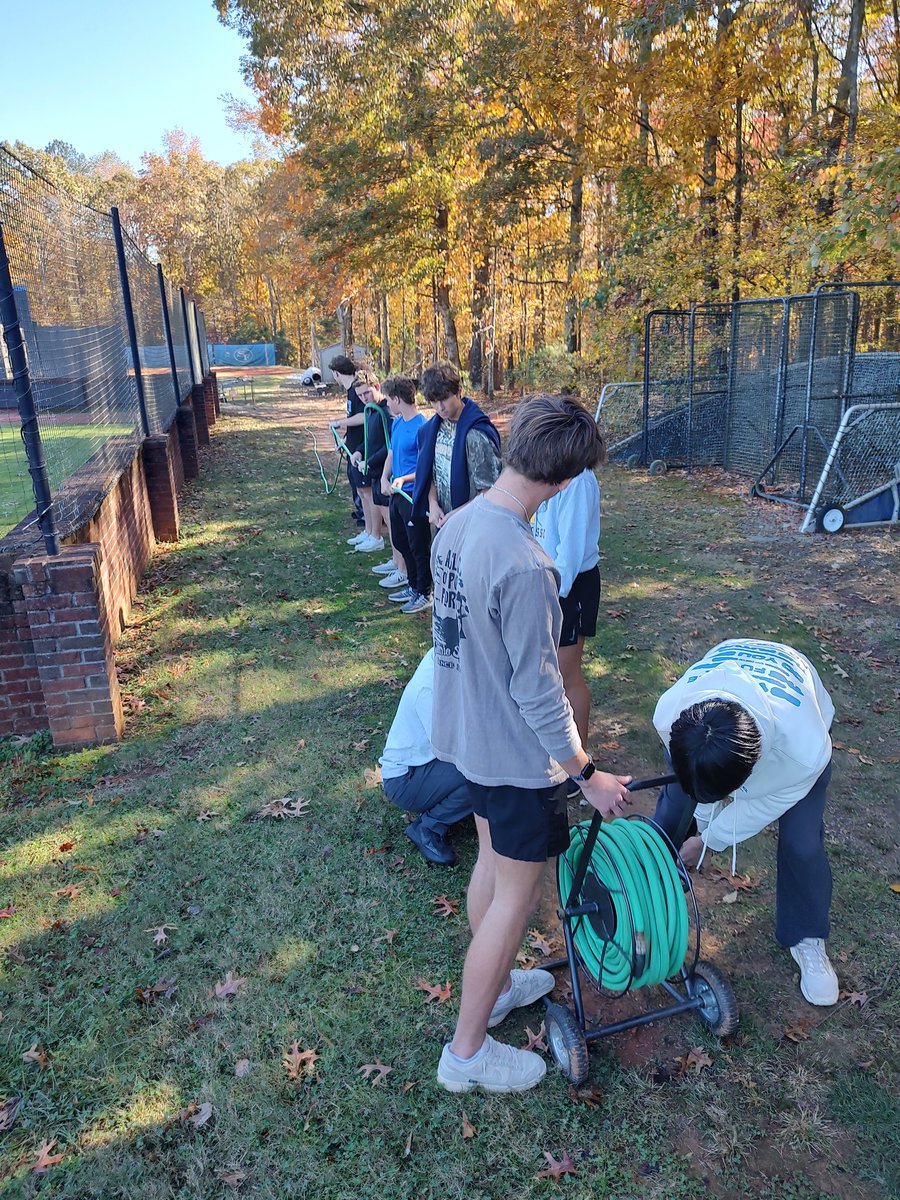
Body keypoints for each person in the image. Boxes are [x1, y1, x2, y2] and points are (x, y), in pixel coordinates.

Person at [429, 394, 632, 1094]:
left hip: (467, 739)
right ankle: (466, 1054)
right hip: (514, 758)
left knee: (491, 860)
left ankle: (502, 983)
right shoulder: (526, 564)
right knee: (516, 897)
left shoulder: (457, 523)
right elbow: (541, 693)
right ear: (569, 480)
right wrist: (587, 775)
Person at [651, 639, 839, 1006]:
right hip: (728, 665)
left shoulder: (804, 751)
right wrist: (699, 816)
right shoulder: (670, 713)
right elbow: (694, 782)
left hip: (792, 697)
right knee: (676, 807)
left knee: (803, 845)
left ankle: (806, 937)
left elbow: (762, 804)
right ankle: (650, 892)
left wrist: (709, 839)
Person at [533, 466, 602, 799]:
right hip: (545, 581)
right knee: (549, 674)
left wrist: (549, 595)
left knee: (567, 675)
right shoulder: (550, 471)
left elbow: (570, 558)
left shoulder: (580, 482)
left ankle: (580, 767)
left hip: (568, 588)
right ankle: (557, 751)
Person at [380, 648, 473, 865]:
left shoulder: (445, 656)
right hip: (406, 779)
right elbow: (453, 747)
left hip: (427, 762)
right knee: (481, 771)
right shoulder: (430, 690)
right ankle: (428, 827)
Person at [412, 361, 501, 530]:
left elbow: (489, 492)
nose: (440, 407)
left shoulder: (477, 434)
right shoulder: (430, 431)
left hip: (473, 526)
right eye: (433, 401)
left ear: (458, 391)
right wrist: (432, 503)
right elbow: (429, 473)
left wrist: (457, 514)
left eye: (444, 399)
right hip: (441, 522)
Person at [378, 376, 432, 615]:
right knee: (400, 541)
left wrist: (405, 479)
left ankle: (424, 592)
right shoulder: (397, 423)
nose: (387, 404)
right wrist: (384, 477)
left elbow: (425, 466)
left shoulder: (423, 426)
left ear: (398, 399)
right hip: (396, 495)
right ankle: (412, 586)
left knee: (417, 545)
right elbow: (391, 454)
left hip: (414, 496)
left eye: (388, 399)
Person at [330, 365, 385, 554]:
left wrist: (368, 460)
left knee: (371, 496)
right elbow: (368, 438)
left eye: (366, 394)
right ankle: (369, 531)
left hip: (377, 465)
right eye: (360, 396)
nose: (364, 399)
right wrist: (359, 451)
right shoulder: (370, 410)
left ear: (376, 386)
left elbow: (386, 445)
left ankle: (376, 535)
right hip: (364, 458)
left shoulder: (384, 411)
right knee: (362, 494)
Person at [328, 355, 366, 529]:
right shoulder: (350, 391)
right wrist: (344, 440)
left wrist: (339, 422)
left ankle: (367, 518)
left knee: (363, 485)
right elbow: (353, 420)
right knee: (353, 479)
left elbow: (364, 417)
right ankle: (361, 511)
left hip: (362, 446)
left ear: (336, 373)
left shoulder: (357, 390)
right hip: (353, 443)